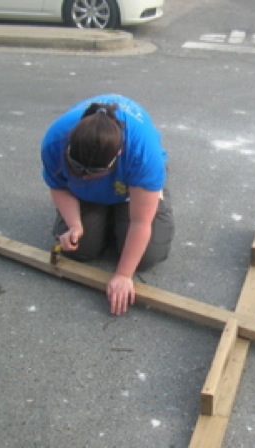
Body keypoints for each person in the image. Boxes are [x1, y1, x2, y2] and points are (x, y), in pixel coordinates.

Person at [41, 94, 175, 315]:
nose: (84, 177)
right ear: (68, 146)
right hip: (92, 192)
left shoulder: (142, 153)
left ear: (118, 154)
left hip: (133, 190)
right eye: (78, 170)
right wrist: (74, 224)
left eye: (93, 173)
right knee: (80, 250)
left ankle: (118, 210)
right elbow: (58, 186)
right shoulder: (54, 141)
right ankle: (103, 215)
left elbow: (141, 222)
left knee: (146, 257)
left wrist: (123, 276)